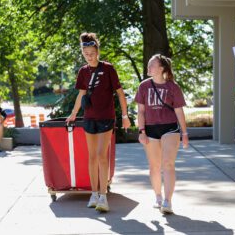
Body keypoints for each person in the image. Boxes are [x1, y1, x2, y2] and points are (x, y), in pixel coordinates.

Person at [66, 32, 131, 212]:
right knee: (92, 157)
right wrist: (73, 114)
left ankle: (103, 196)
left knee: (102, 156)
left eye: (92, 52)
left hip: (106, 117)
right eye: (86, 53)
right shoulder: (83, 72)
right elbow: (81, 94)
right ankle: (93, 194)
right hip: (89, 118)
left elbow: (119, 93)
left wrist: (125, 116)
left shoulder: (108, 68)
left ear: (97, 51)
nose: (89, 56)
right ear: (83, 53)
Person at [135, 54, 189, 215]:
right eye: (148, 64)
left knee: (168, 164)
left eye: (152, 65)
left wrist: (184, 133)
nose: (148, 67)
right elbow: (141, 111)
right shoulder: (143, 86)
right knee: (154, 166)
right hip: (150, 129)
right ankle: (158, 196)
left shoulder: (173, 87)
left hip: (170, 128)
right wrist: (141, 131)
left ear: (161, 68)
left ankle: (168, 201)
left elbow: (179, 111)